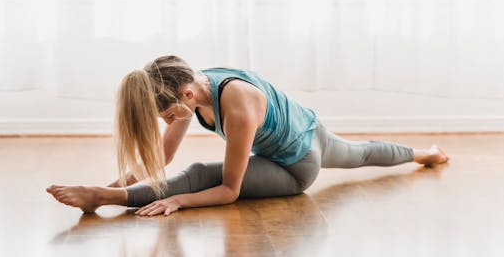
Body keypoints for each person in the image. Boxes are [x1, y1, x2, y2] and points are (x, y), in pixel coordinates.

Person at [46, 55, 449, 216]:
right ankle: (426, 153)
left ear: (185, 96)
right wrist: (118, 180)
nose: (171, 122)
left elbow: (229, 189)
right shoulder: (192, 86)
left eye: (169, 115)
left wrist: (179, 200)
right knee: (360, 153)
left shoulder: (236, 106)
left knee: (204, 171)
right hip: (310, 128)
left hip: (295, 167)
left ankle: (104, 201)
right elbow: (163, 158)